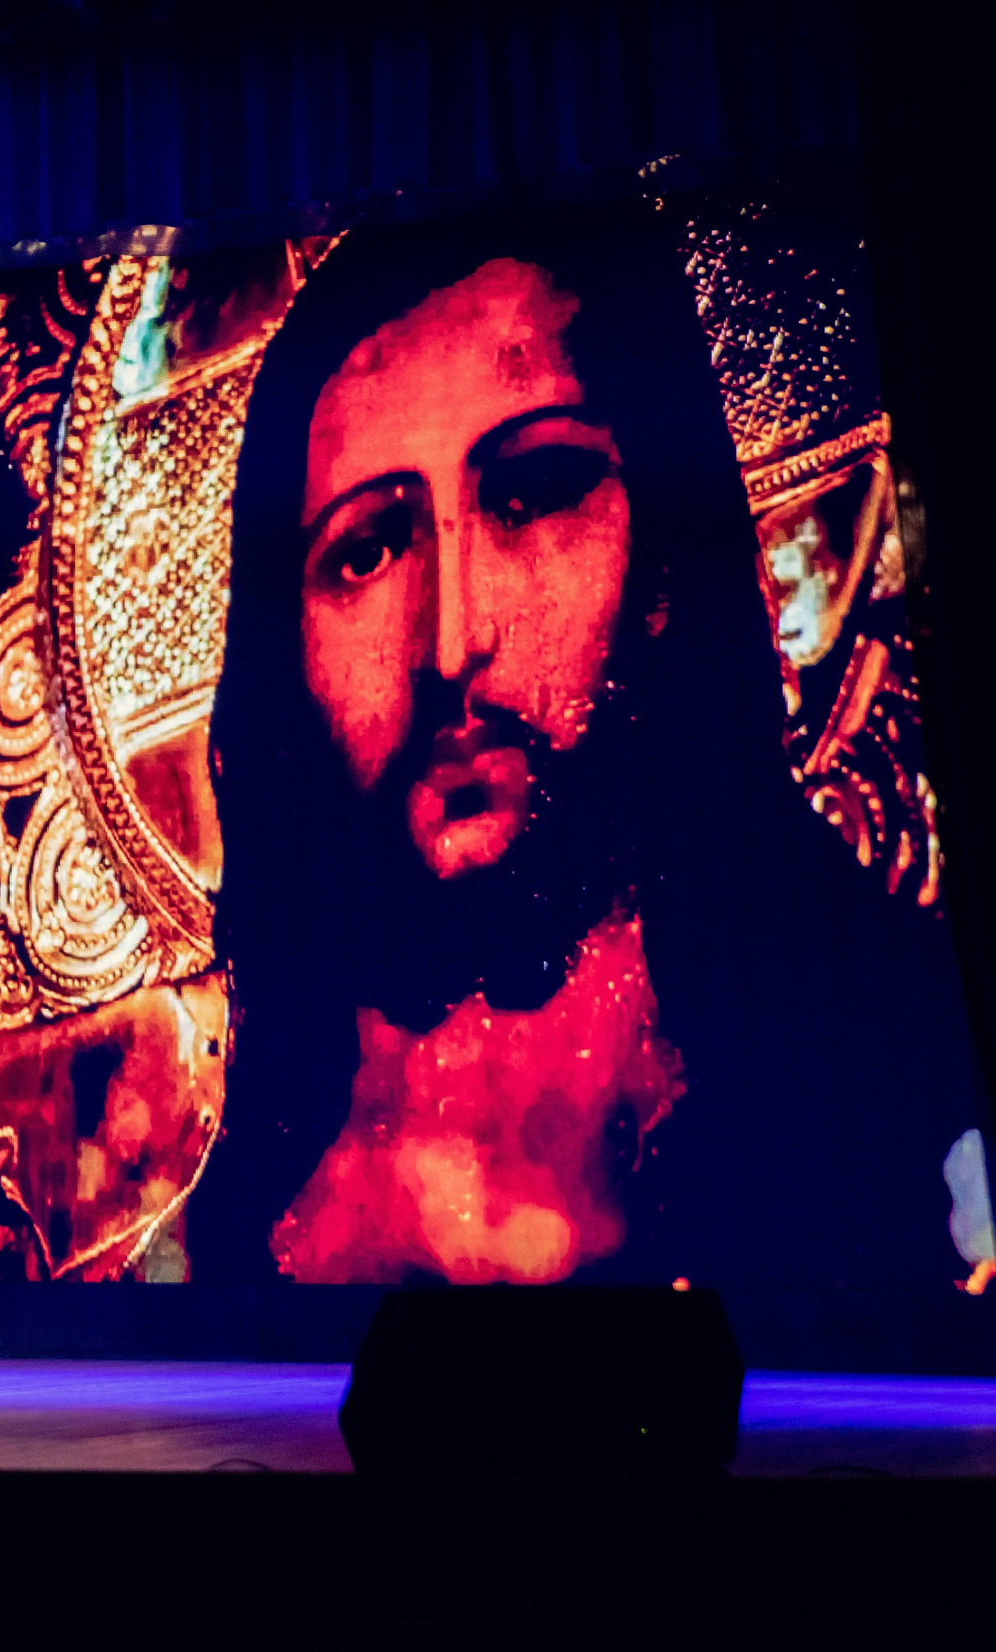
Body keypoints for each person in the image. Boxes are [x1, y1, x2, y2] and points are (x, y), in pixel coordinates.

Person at [196, 208, 984, 1289]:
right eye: (368, 550)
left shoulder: (892, 1083)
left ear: (659, 561)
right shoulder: (255, 1215)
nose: (452, 641)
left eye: (534, 495)